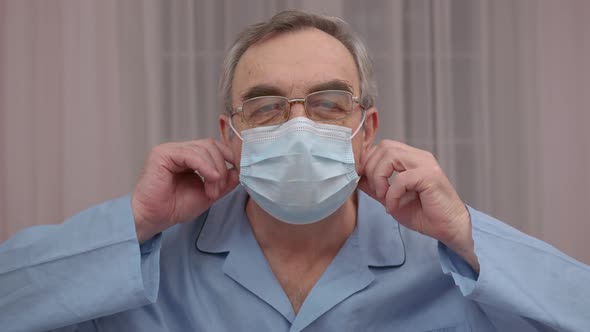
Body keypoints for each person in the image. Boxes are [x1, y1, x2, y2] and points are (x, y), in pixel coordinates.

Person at [1, 10, 589, 332]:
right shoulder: (139, 274)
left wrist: (465, 233)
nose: (298, 124)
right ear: (229, 135)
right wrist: (132, 223)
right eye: (265, 106)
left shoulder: (455, 273)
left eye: (330, 103)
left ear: (368, 128)